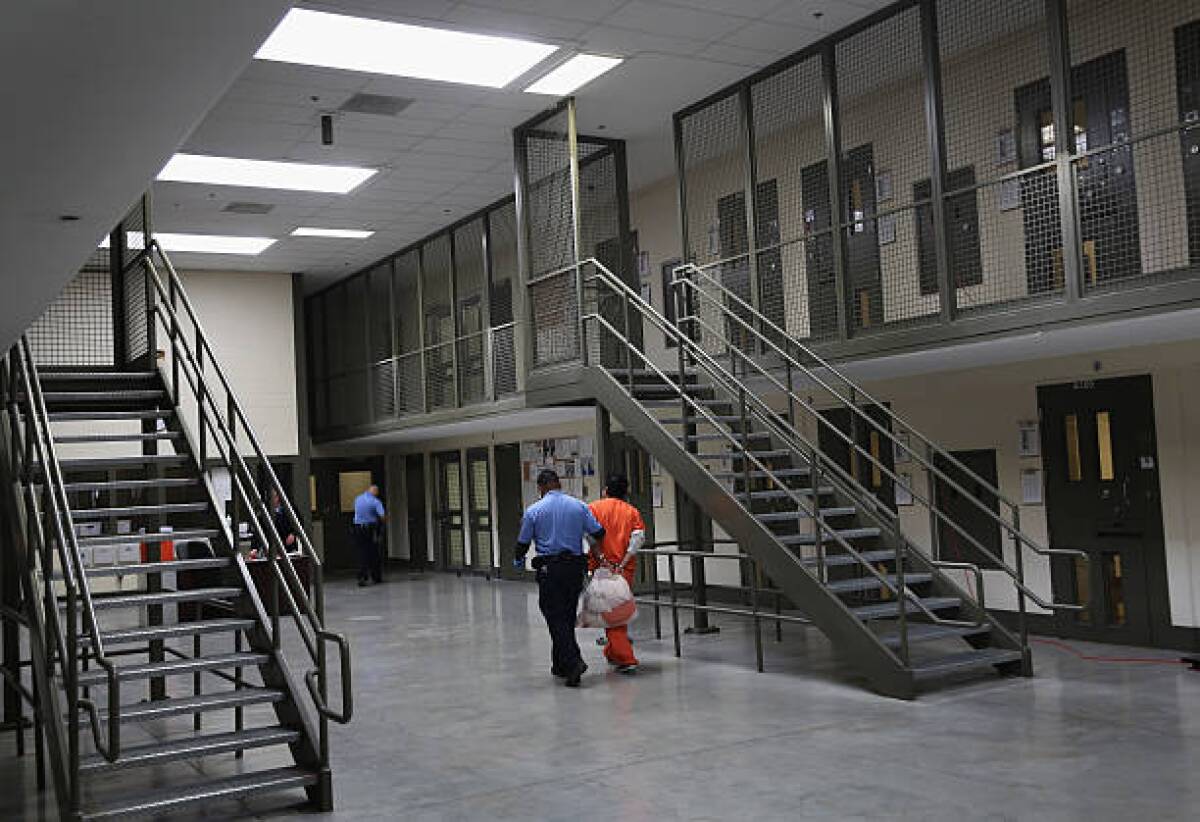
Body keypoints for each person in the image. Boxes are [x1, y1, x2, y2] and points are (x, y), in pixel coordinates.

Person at [514, 468, 605, 688]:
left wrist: (518, 558)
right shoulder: (579, 506)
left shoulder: (534, 510)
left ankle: (574, 662)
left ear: (542, 487)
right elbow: (599, 532)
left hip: (550, 570)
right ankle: (560, 665)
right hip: (575, 568)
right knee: (564, 615)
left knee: (555, 618)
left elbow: (523, 542)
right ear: (558, 484)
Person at [588, 474, 646, 674]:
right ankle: (612, 652)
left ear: (605, 490)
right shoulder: (632, 512)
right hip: (624, 569)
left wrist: (603, 559)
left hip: (602, 567)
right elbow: (638, 539)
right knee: (616, 610)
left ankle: (626, 657)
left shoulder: (594, 508)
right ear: (625, 492)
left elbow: (590, 536)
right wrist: (623, 563)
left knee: (612, 614)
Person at [352, 484, 386, 587]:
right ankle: (376, 576)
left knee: (361, 552)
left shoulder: (358, 499)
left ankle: (361, 576)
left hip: (358, 528)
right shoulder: (375, 502)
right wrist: (382, 526)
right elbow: (382, 516)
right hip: (370, 529)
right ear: (375, 492)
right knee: (373, 553)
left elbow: (356, 511)